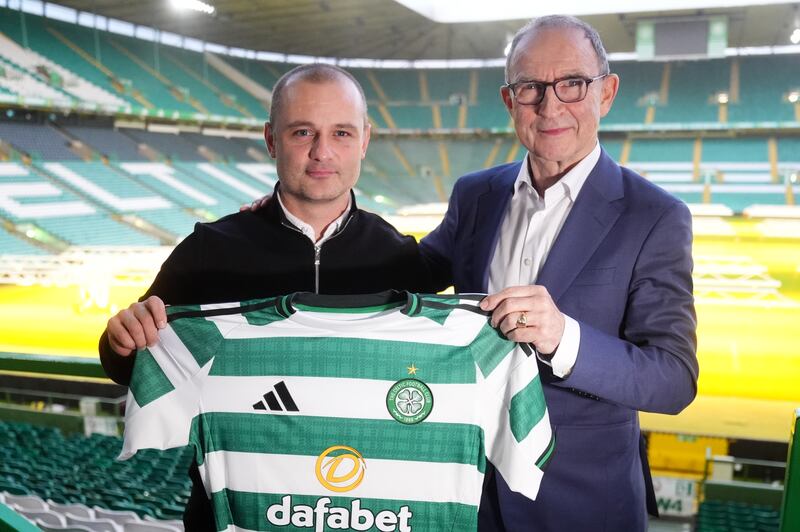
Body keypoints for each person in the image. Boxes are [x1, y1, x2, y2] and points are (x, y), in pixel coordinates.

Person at [99, 63, 434, 530]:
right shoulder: (209, 250)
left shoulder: (403, 258)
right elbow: (131, 360)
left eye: (341, 132)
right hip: (232, 517)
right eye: (302, 132)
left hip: (365, 515)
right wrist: (120, 339)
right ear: (271, 139)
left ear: (364, 139)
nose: (322, 152)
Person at [419, 15, 698, 531]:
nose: (551, 106)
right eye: (530, 88)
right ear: (509, 101)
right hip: (466, 497)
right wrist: (305, 210)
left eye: (572, 83)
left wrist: (563, 337)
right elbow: (402, 275)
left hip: (583, 507)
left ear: (607, 93)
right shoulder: (474, 195)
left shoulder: (654, 216)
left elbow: (673, 378)